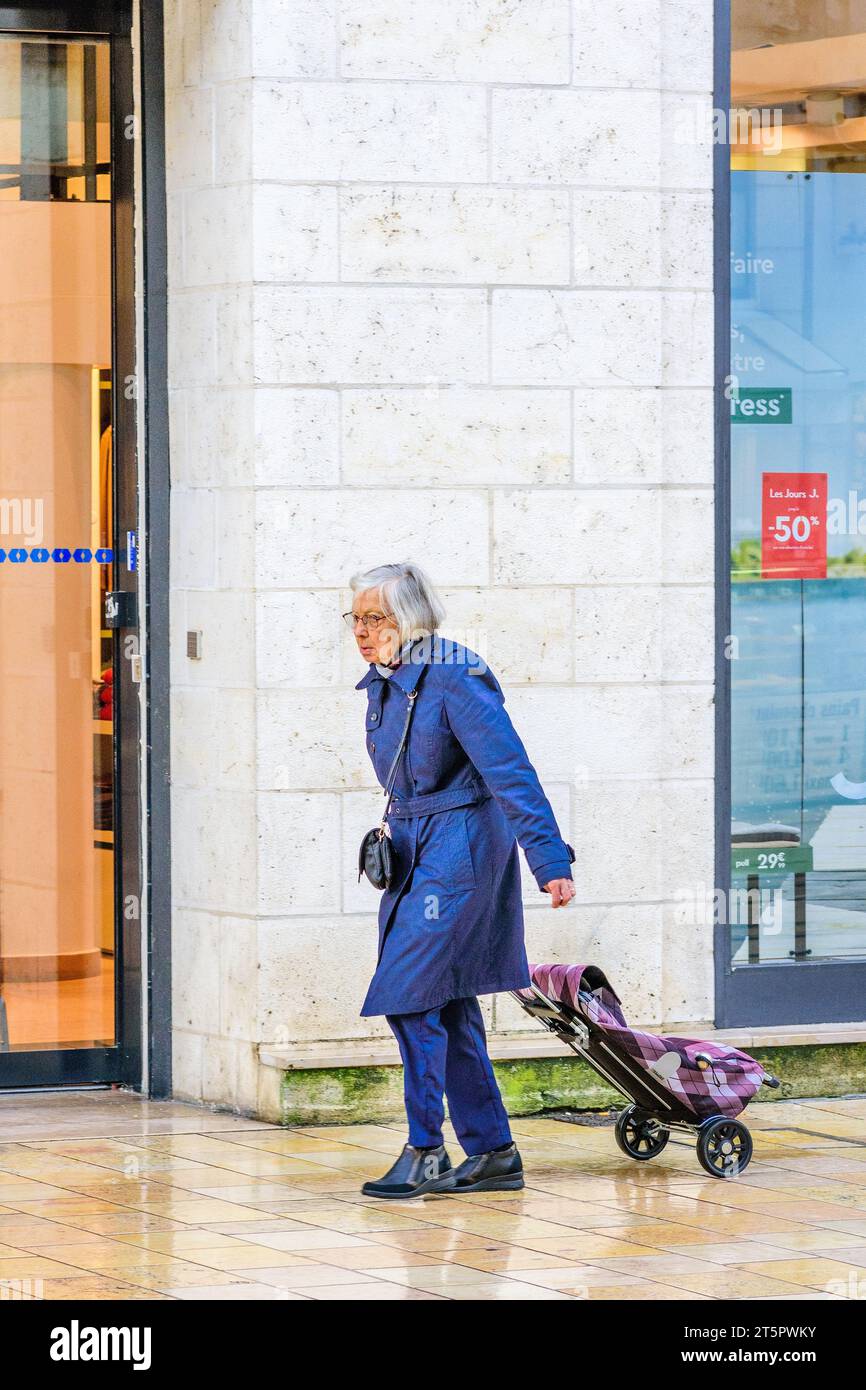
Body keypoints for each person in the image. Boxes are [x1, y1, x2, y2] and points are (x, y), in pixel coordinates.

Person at [345, 561, 576, 1198]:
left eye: (377, 619)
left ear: (411, 619)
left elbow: (511, 771)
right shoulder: (385, 681)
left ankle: (426, 1149)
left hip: (465, 853)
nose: (363, 632)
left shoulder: (454, 675)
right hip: (415, 849)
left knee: (409, 994)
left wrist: (550, 860)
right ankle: (494, 1152)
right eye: (357, 619)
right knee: (447, 1003)